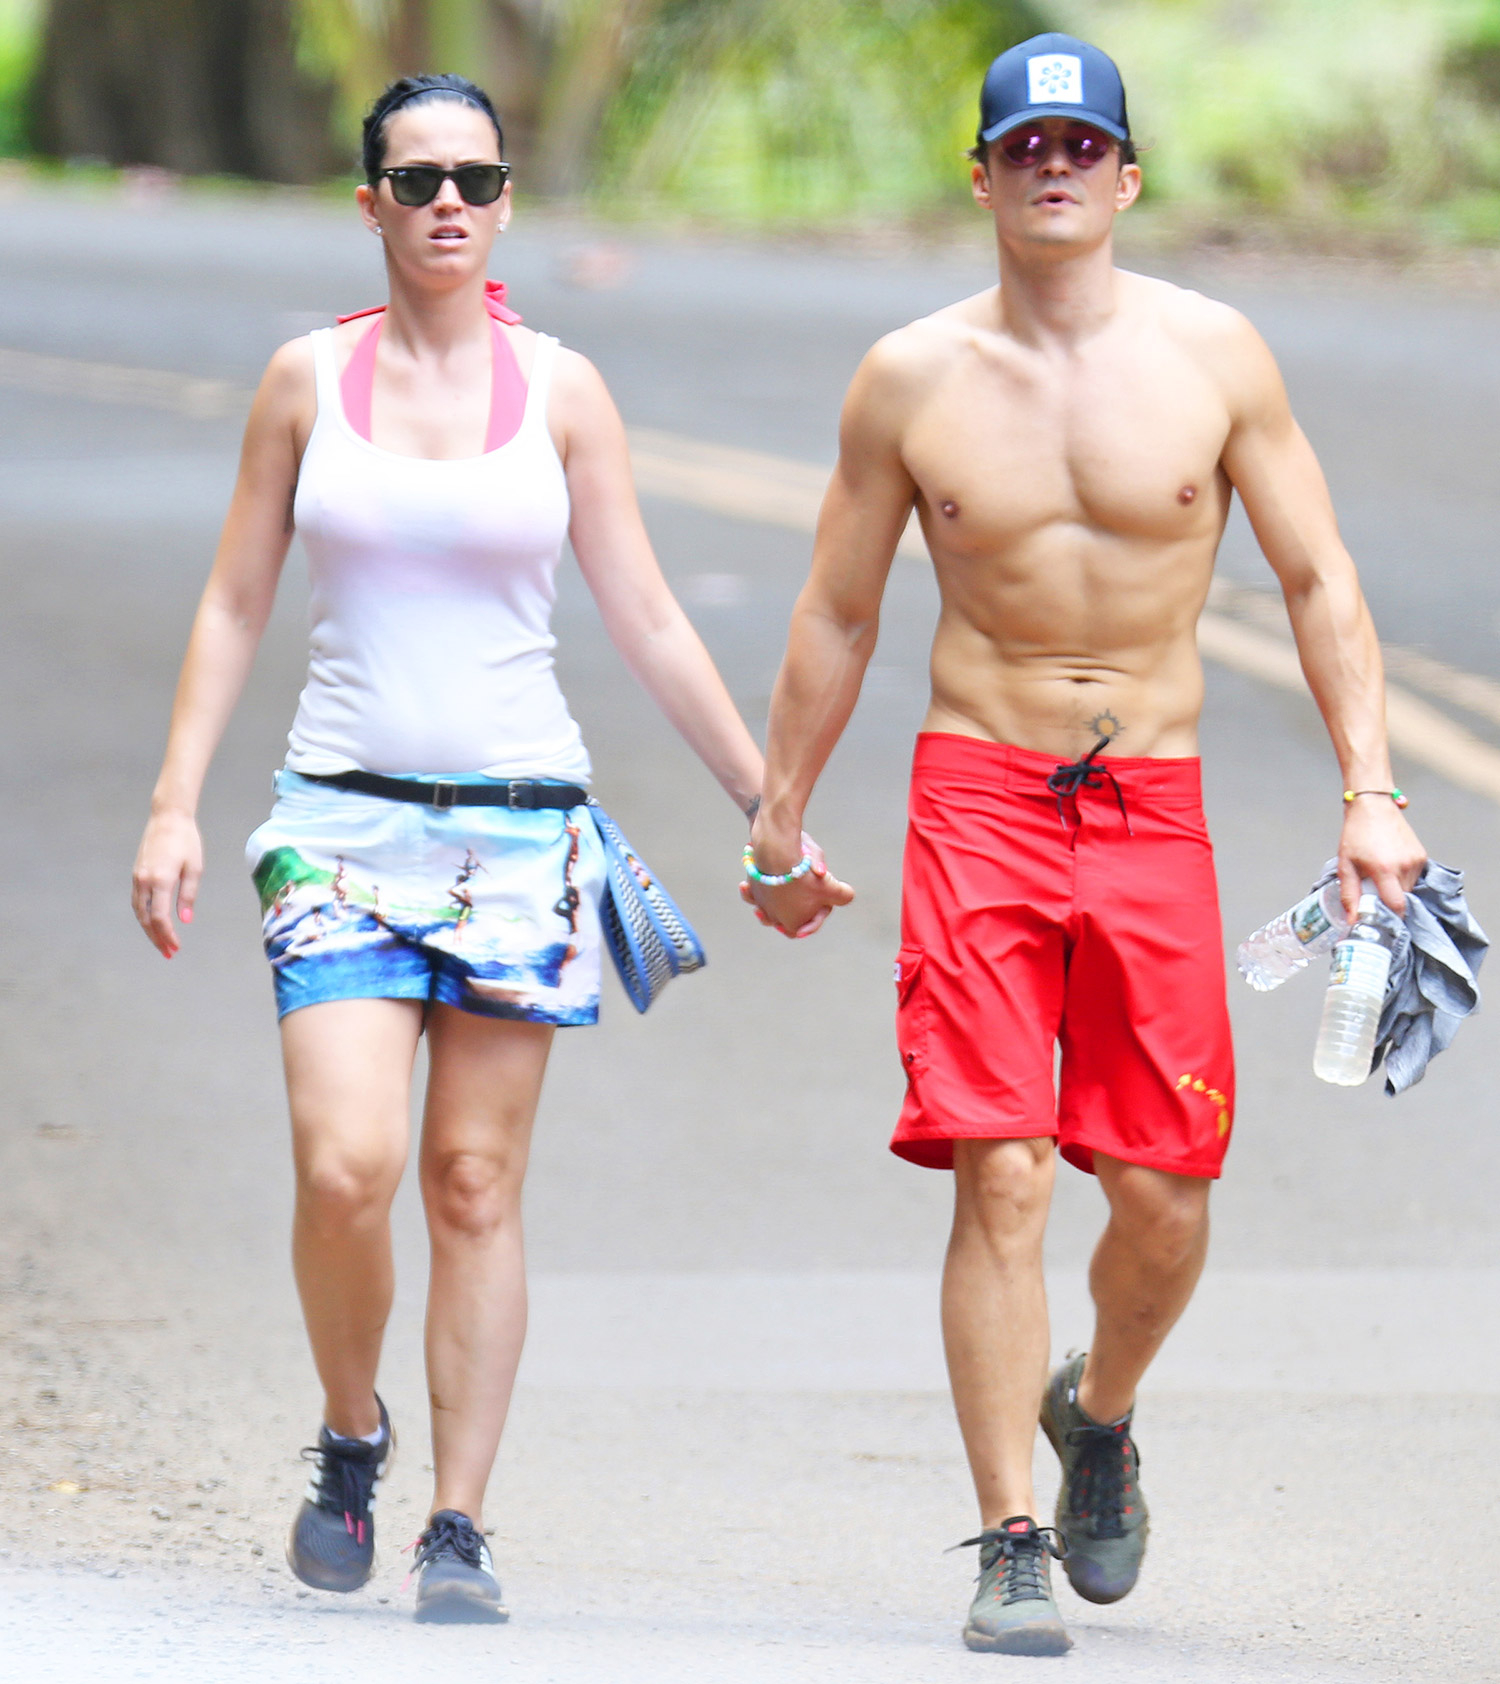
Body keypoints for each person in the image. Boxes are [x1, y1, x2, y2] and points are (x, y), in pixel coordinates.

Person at [741, 32, 1425, 1657]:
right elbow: (841, 607)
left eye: (1080, 144)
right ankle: (1003, 1540)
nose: (1051, 166)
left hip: (1152, 807)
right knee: (1004, 1164)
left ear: (1125, 177)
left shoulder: (1217, 357)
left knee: (1171, 1194)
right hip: (979, 791)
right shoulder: (910, 376)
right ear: (980, 177)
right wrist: (779, 813)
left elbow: (1321, 581)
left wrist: (1370, 787)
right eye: (1021, 145)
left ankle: (1097, 1412)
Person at [131, 73, 772, 1624]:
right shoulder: (304, 382)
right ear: (369, 205)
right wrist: (174, 798)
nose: (446, 205)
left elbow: (649, 615)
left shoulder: (562, 390)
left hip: (516, 835)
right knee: (347, 1166)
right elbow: (232, 600)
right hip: (340, 823)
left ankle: (459, 1522)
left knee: (474, 1183)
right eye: (415, 180)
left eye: (474, 181)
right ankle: (353, 1433)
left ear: (504, 208)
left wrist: (771, 801)